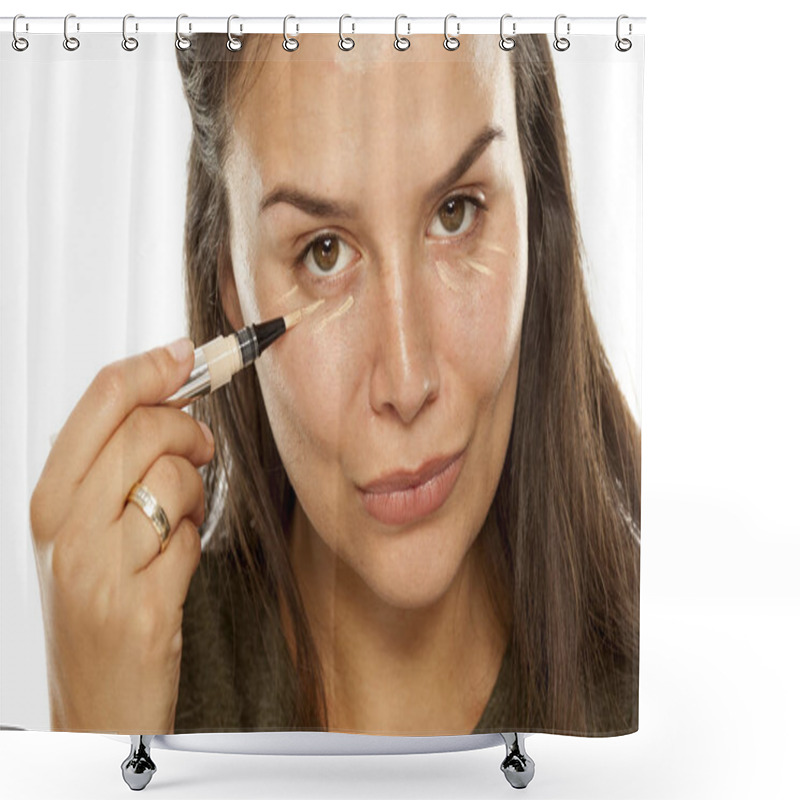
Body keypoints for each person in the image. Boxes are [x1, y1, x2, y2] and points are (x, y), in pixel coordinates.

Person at [30, 32, 640, 737]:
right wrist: (95, 750)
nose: (407, 384)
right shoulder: (131, 681)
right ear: (232, 282)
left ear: (536, 204)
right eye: (325, 252)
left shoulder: (678, 685)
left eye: (457, 212)